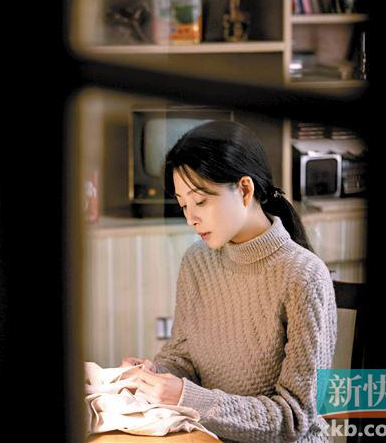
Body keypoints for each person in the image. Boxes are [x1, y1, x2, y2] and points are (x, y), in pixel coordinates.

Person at [120, 120, 337, 442]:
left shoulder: (303, 275)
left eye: (200, 202)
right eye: (183, 205)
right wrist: (155, 374)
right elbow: (184, 356)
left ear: (245, 189)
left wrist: (187, 397)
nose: (191, 218)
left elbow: (294, 419)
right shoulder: (197, 260)